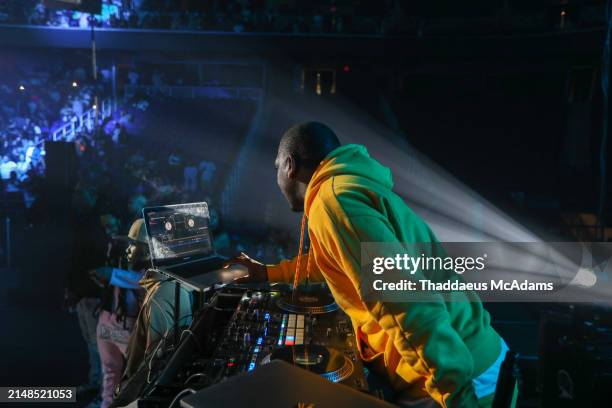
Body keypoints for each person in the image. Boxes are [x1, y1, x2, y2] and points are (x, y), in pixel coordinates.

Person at [226, 122, 513, 408]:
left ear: (289, 165)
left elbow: (406, 304)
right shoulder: (344, 189)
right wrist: (269, 273)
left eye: (276, 166)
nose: (277, 177)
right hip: (462, 362)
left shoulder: (334, 202)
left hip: (460, 379)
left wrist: (458, 396)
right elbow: (330, 260)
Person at [110, 219, 193, 408]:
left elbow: (151, 368)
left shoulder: (159, 296)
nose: (127, 250)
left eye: (133, 244)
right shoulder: (171, 284)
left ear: (149, 250)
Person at [87, 217, 146, 408]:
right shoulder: (119, 254)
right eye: (129, 243)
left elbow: (142, 279)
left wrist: (111, 275)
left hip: (127, 325)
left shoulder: (153, 267)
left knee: (134, 378)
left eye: (134, 244)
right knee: (110, 376)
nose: (129, 248)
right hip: (107, 320)